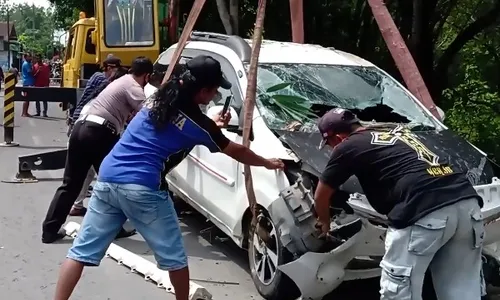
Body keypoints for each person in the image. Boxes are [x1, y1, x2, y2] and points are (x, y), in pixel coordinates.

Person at [53, 55, 284, 300]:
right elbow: (236, 150)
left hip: (108, 178)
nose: (215, 95)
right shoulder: (200, 125)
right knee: (175, 259)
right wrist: (268, 163)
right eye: (215, 90)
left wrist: (213, 125)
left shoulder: (159, 99)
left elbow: (174, 127)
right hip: (142, 188)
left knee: (79, 253)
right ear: (204, 91)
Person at [313, 108, 484, 300]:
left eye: (328, 144)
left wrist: (325, 222)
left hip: (423, 210)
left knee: (399, 291)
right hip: (467, 203)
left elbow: (321, 196)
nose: (330, 149)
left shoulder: (348, 146)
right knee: (462, 289)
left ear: (337, 137)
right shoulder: (396, 133)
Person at [41, 57, 152, 244]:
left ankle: (49, 230)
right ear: (147, 76)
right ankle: (113, 229)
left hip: (81, 128)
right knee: (114, 181)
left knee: (70, 185)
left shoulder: (120, 82)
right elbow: (149, 115)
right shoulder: (133, 86)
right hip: (99, 134)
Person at [66, 56, 123, 217]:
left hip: (80, 123)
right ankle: (106, 212)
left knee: (85, 171)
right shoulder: (103, 80)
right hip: (90, 127)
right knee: (99, 172)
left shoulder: (98, 78)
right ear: (111, 68)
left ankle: (77, 205)